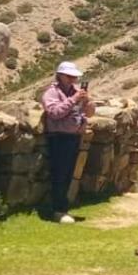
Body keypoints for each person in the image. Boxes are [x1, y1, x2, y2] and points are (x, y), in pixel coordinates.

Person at [41, 61, 94, 225]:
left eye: (74, 77)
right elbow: (54, 113)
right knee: (60, 174)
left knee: (68, 174)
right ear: (61, 76)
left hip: (73, 136)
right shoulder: (51, 93)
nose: (73, 80)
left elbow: (90, 113)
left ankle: (62, 208)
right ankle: (58, 209)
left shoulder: (76, 92)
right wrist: (73, 100)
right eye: (69, 76)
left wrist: (88, 102)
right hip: (59, 137)